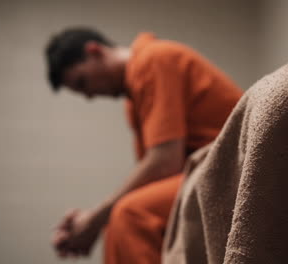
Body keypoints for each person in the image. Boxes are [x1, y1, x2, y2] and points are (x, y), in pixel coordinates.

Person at [45, 27, 243, 264]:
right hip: (206, 173)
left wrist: (95, 218)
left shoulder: (153, 60)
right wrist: (92, 223)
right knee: (124, 215)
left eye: (82, 82)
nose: (89, 96)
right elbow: (160, 175)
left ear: (95, 51)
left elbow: (165, 163)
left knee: (131, 215)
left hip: (233, 172)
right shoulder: (134, 95)